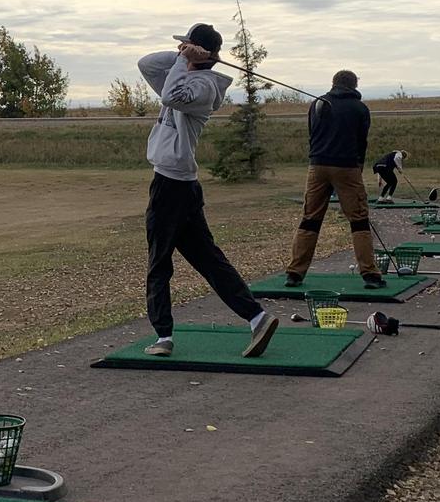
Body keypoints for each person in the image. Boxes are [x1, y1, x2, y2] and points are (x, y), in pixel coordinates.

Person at [137, 24, 280, 359]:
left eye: (186, 45)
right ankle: (257, 317)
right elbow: (146, 64)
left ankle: (163, 337)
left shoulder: (201, 86)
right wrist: (182, 55)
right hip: (181, 186)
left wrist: (187, 61)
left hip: (171, 186)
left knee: (159, 262)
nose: (181, 50)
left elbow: (171, 96)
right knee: (208, 260)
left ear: (200, 53)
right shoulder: (184, 74)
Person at [285, 70, 385, 290]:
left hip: (317, 165)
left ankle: (294, 273)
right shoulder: (360, 108)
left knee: (310, 218)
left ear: (334, 83)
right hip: (347, 166)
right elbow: (362, 142)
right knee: (358, 219)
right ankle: (370, 274)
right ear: (354, 85)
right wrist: (358, 167)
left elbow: (312, 135)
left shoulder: (318, 104)